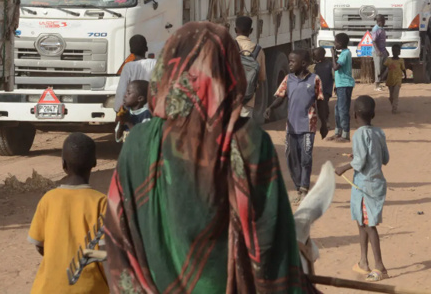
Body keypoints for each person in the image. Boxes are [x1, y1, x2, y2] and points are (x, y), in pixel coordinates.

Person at [104, 22, 314, 292]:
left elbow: (118, 238)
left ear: (167, 71)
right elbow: (272, 246)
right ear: (230, 71)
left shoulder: (137, 144)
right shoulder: (249, 143)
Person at [29, 133, 108, 294]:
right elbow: (107, 253)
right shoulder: (102, 202)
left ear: (63, 164)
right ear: (94, 162)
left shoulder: (48, 199)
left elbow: (39, 244)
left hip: (47, 289)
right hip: (90, 288)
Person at [335, 95, 390, 283]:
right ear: (373, 114)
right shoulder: (379, 133)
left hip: (365, 185)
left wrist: (344, 166)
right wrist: (358, 154)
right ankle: (363, 261)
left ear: (355, 115)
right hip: (372, 183)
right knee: (361, 221)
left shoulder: (359, 134)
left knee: (369, 224)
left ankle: (380, 266)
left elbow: (359, 162)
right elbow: (384, 158)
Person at [266, 49, 329, 201]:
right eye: (289, 61)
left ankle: (304, 188)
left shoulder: (314, 80)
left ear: (304, 63)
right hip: (292, 127)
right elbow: (280, 97)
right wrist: (270, 108)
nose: (290, 64)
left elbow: (321, 103)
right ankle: (298, 185)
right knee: (291, 157)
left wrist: (324, 123)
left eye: (293, 62)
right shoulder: (288, 79)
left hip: (308, 126)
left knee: (306, 157)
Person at [114, 34, 157, 110]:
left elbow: (121, 91)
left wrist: (118, 110)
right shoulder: (155, 63)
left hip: (134, 112)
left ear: (131, 51)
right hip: (151, 110)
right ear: (146, 48)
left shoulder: (128, 67)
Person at [235, 15, 266, 104]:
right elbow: (262, 77)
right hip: (248, 99)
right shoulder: (258, 50)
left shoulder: (228, 46)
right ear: (251, 31)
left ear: (235, 30)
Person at [332, 33, 356, 142]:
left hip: (345, 85)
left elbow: (336, 67)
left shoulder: (345, 54)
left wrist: (332, 55)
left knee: (343, 109)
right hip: (341, 84)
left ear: (340, 44)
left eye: (335, 42)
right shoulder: (344, 53)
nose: (334, 44)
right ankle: (338, 131)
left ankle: (345, 134)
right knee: (337, 109)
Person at [313, 47, 335, 129]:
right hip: (317, 90)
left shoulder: (329, 64)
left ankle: (326, 121)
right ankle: (323, 121)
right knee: (319, 107)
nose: (314, 57)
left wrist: (335, 86)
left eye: (316, 55)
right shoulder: (315, 66)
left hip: (326, 89)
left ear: (322, 55)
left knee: (324, 105)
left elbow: (334, 76)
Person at [381, 45, 407, 114]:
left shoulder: (401, 60)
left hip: (398, 80)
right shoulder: (389, 60)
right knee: (391, 96)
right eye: (394, 51)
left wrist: (405, 76)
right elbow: (384, 67)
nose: (396, 52)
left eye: (397, 51)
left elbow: (403, 69)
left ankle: (394, 109)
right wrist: (380, 74)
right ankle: (393, 104)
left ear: (399, 52)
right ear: (392, 52)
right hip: (390, 80)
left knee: (395, 95)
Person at [371, 14, 388, 92]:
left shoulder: (381, 28)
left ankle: (381, 80)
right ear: (380, 21)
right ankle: (377, 85)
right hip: (377, 51)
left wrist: (385, 50)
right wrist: (378, 51)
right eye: (384, 20)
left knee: (387, 65)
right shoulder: (376, 29)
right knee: (378, 68)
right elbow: (374, 41)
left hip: (383, 50)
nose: (385, 22)